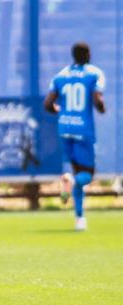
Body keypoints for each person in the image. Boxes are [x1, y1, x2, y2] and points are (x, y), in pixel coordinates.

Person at [44, 42, 106, 231]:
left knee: (75, 172)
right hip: (84, 130)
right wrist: (101, 107)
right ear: (87, 53)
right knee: (87, 175)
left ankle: (80, 218)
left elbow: (48, 104)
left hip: (65, 128)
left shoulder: (61, 75)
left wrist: (61, 112)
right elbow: (97, 99)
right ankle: (71, 182)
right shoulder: (94, 73)